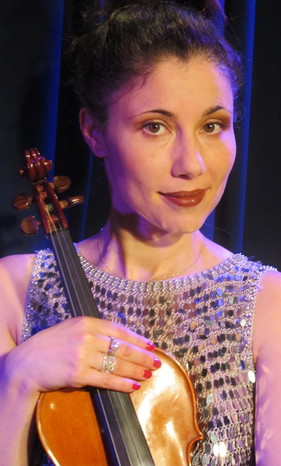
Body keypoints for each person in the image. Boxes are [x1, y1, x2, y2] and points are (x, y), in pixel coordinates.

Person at [0, 0, 280, 464]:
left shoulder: (265, 302)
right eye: (156, 127)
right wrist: (17, 377)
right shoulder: (13, 290)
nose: (191, 164)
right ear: (93, 130)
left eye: (213, 125)